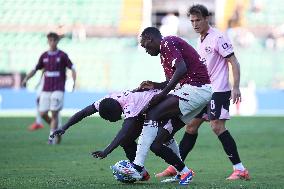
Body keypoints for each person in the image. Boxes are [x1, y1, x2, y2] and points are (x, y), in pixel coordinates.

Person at [156, 4, 250, 181]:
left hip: (218, 90)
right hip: (203, 91)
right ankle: (177, 166)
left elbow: (234, 62)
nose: (195, 24)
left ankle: (240, 169)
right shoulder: (201, 39)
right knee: (191, 126)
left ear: (207, 19)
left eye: (198, 20)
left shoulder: (219, 37)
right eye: (192, 20)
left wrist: (236, 86)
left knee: (217, 126)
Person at [114, 27, 212, 185]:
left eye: (144, 45)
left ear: (150, 39)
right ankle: (184, 173)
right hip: (192, 91)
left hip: (196, 88)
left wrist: (162, 94)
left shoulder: (167, 42)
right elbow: (171, 80)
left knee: (152, 113)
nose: (145, 50)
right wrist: (155, 85)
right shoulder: (163, 54)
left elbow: (181, 70)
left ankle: (138, 166)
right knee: (158, 144)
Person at [51, 89, 168, 181]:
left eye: (109, 118)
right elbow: (83, 112)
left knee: (158, 142)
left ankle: (180, 170)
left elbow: (123, 132)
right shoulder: (105, 101)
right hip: (145, 109)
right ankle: (141, 172)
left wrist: (106, 151)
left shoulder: (129, 106)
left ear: (116, 111)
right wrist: (64, 127)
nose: (109, 120)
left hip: (161, 102)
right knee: (126, 141)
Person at [22, 32, 76, 144]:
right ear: (48, 41)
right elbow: (35, 69)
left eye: (54, 40)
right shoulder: (44, 56)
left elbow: (73, 68)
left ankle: (51, 138)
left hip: (58, 88)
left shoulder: (62, 55)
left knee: (54, 112)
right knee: (42, 113)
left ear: (57, 41)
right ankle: (57, 130)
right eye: (50, 40)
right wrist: (26, 78)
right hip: (46, 89)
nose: (52, 42)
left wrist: (74, 82)